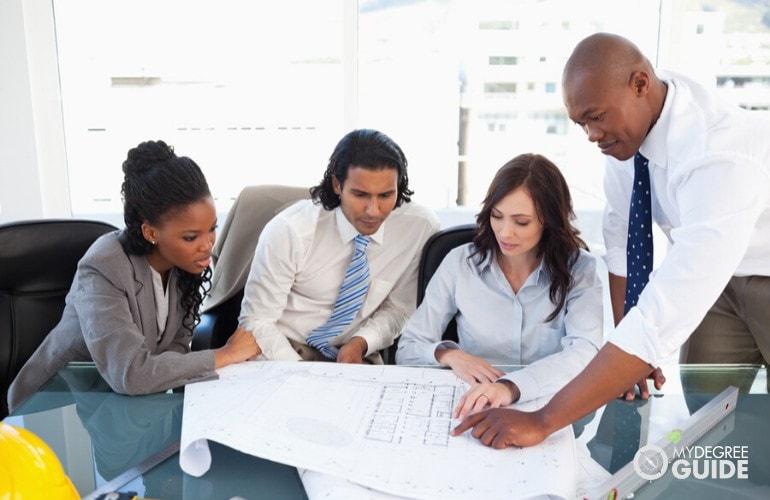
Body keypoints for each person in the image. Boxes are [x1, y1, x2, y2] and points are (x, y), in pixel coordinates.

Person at [452, 32, 770, 448]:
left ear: (640, 84)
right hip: (722, 277)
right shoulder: (628, 135)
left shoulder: (717, 156)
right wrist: (632, 352)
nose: (590, 134)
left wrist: (542, 420)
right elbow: (624, 248)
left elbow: (663, 315)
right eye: (581, 122)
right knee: (710, 410)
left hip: (758, 266)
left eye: (596, 117)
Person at [7, 140, 259, 413]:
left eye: (211, 229)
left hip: (126, 404)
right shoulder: (104, 265)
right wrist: (225, 354)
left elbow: (173, 349)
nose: (207, 244)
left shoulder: (184, 264)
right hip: (56, 407)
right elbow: (131, 373)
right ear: (151, 233)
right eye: (191, 236)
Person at [396, 153, 603, 414]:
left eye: (521, 222)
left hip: (552, 409)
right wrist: (450, 356)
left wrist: (511, 387)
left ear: (549, 220)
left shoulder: (580, 269)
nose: (505, 232)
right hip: (474, 404)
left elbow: (585, 354)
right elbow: (408, 347)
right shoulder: (460, 263)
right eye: (497, 216)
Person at [239, 128, 440, 363]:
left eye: (385, 195)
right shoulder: (290, 230)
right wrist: (303, 374)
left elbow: (399, 309)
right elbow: (257, 321)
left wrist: (361, 343)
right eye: (360, 195)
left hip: (356, 352)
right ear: (337, 184)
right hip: (285, 351)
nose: (373, 211)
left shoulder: (419, 228)